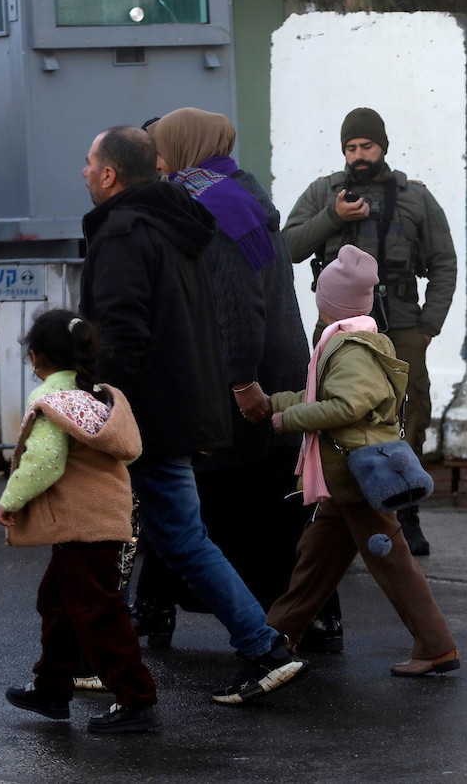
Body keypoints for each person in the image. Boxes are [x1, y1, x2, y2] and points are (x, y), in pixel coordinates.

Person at [78, 125, 304, 705]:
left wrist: (104, 409)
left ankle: (255, 648)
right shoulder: (186, 218)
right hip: (177, 406)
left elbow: (123, 330)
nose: (83, 172)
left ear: (109, 174)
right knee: (166, 536)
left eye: (89, 163)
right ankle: (258, 649)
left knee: (130, 535)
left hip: (145, 413)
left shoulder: (127, 231)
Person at [126, 107, 344, 655]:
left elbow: (236, 303)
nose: (156, 157)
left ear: (185, 146)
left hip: (235, 380)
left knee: (205, 495)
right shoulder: (235, 191)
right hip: (262, 370)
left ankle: (163, 611)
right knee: (260, 499)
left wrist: (242, 382)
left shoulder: (214, 205)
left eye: (162, 145)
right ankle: (307, 616)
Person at [264, 244, 460, 677]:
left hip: (359, 474)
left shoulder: (350, 347)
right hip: (345, 477)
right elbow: (323, 397)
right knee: (314, 561)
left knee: (392, 564)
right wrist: (273, 403)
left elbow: (347, 405)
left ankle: (436, 645)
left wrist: (285, 420)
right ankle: (273, 639)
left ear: (329, 303)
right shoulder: (348, 339)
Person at [282, 107, 458, 556]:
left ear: (383, 146)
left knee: (409, 411)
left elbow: (443, 262)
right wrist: (333, 216)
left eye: (367, 146)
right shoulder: (325, 192)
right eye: (351, 148)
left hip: (401, 321)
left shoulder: (415, 197)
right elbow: (288, 247)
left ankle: (406, 513)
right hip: (337, 327)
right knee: (336, 411)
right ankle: (340, 510)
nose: (359, 155)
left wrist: (428, 327)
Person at [0, 309, 160, 734]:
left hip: (83, 524)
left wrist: (11, 499)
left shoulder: (53, 403)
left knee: (99, 611)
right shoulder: (97, 397)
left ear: (35, 358)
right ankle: (52, 687)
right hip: (98, 520)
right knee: (58, 601)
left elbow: (45, 462)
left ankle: (137, 699)